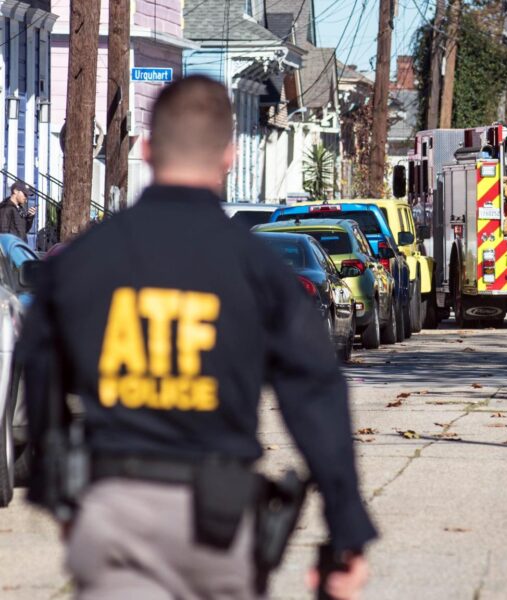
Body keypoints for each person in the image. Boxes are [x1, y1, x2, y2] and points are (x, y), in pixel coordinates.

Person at [16, 75, 376, 599]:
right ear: (228, 156)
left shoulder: (82, 261)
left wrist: (57, 492)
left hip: (112, 513)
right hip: (217, 522)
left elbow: (39, 372)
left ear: (146, 149)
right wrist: (346, 532)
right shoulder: (258, 271)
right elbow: (316, 395)